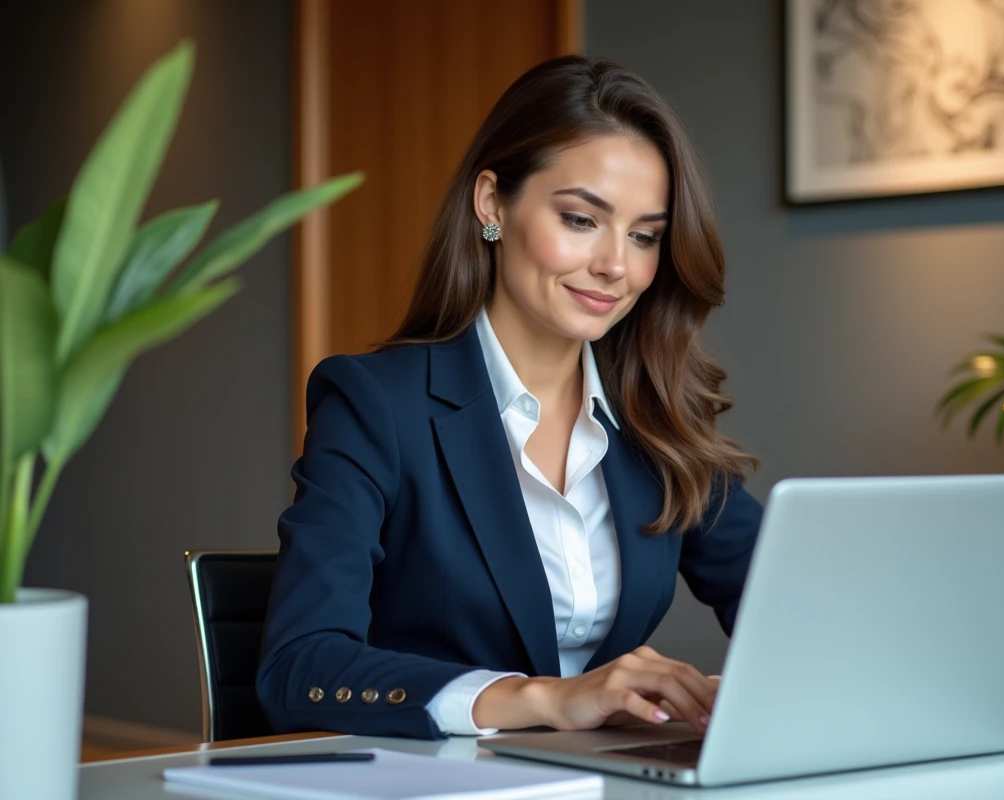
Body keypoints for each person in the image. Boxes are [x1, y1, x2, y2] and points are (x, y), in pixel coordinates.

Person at [256, 55, 762, 741]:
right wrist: (544, 700)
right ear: (493, 203)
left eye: (644, 235)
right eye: (582, 220)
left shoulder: (657, 417)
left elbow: (797, 609)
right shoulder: (375, 403)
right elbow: (298, 667)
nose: (617, 264)